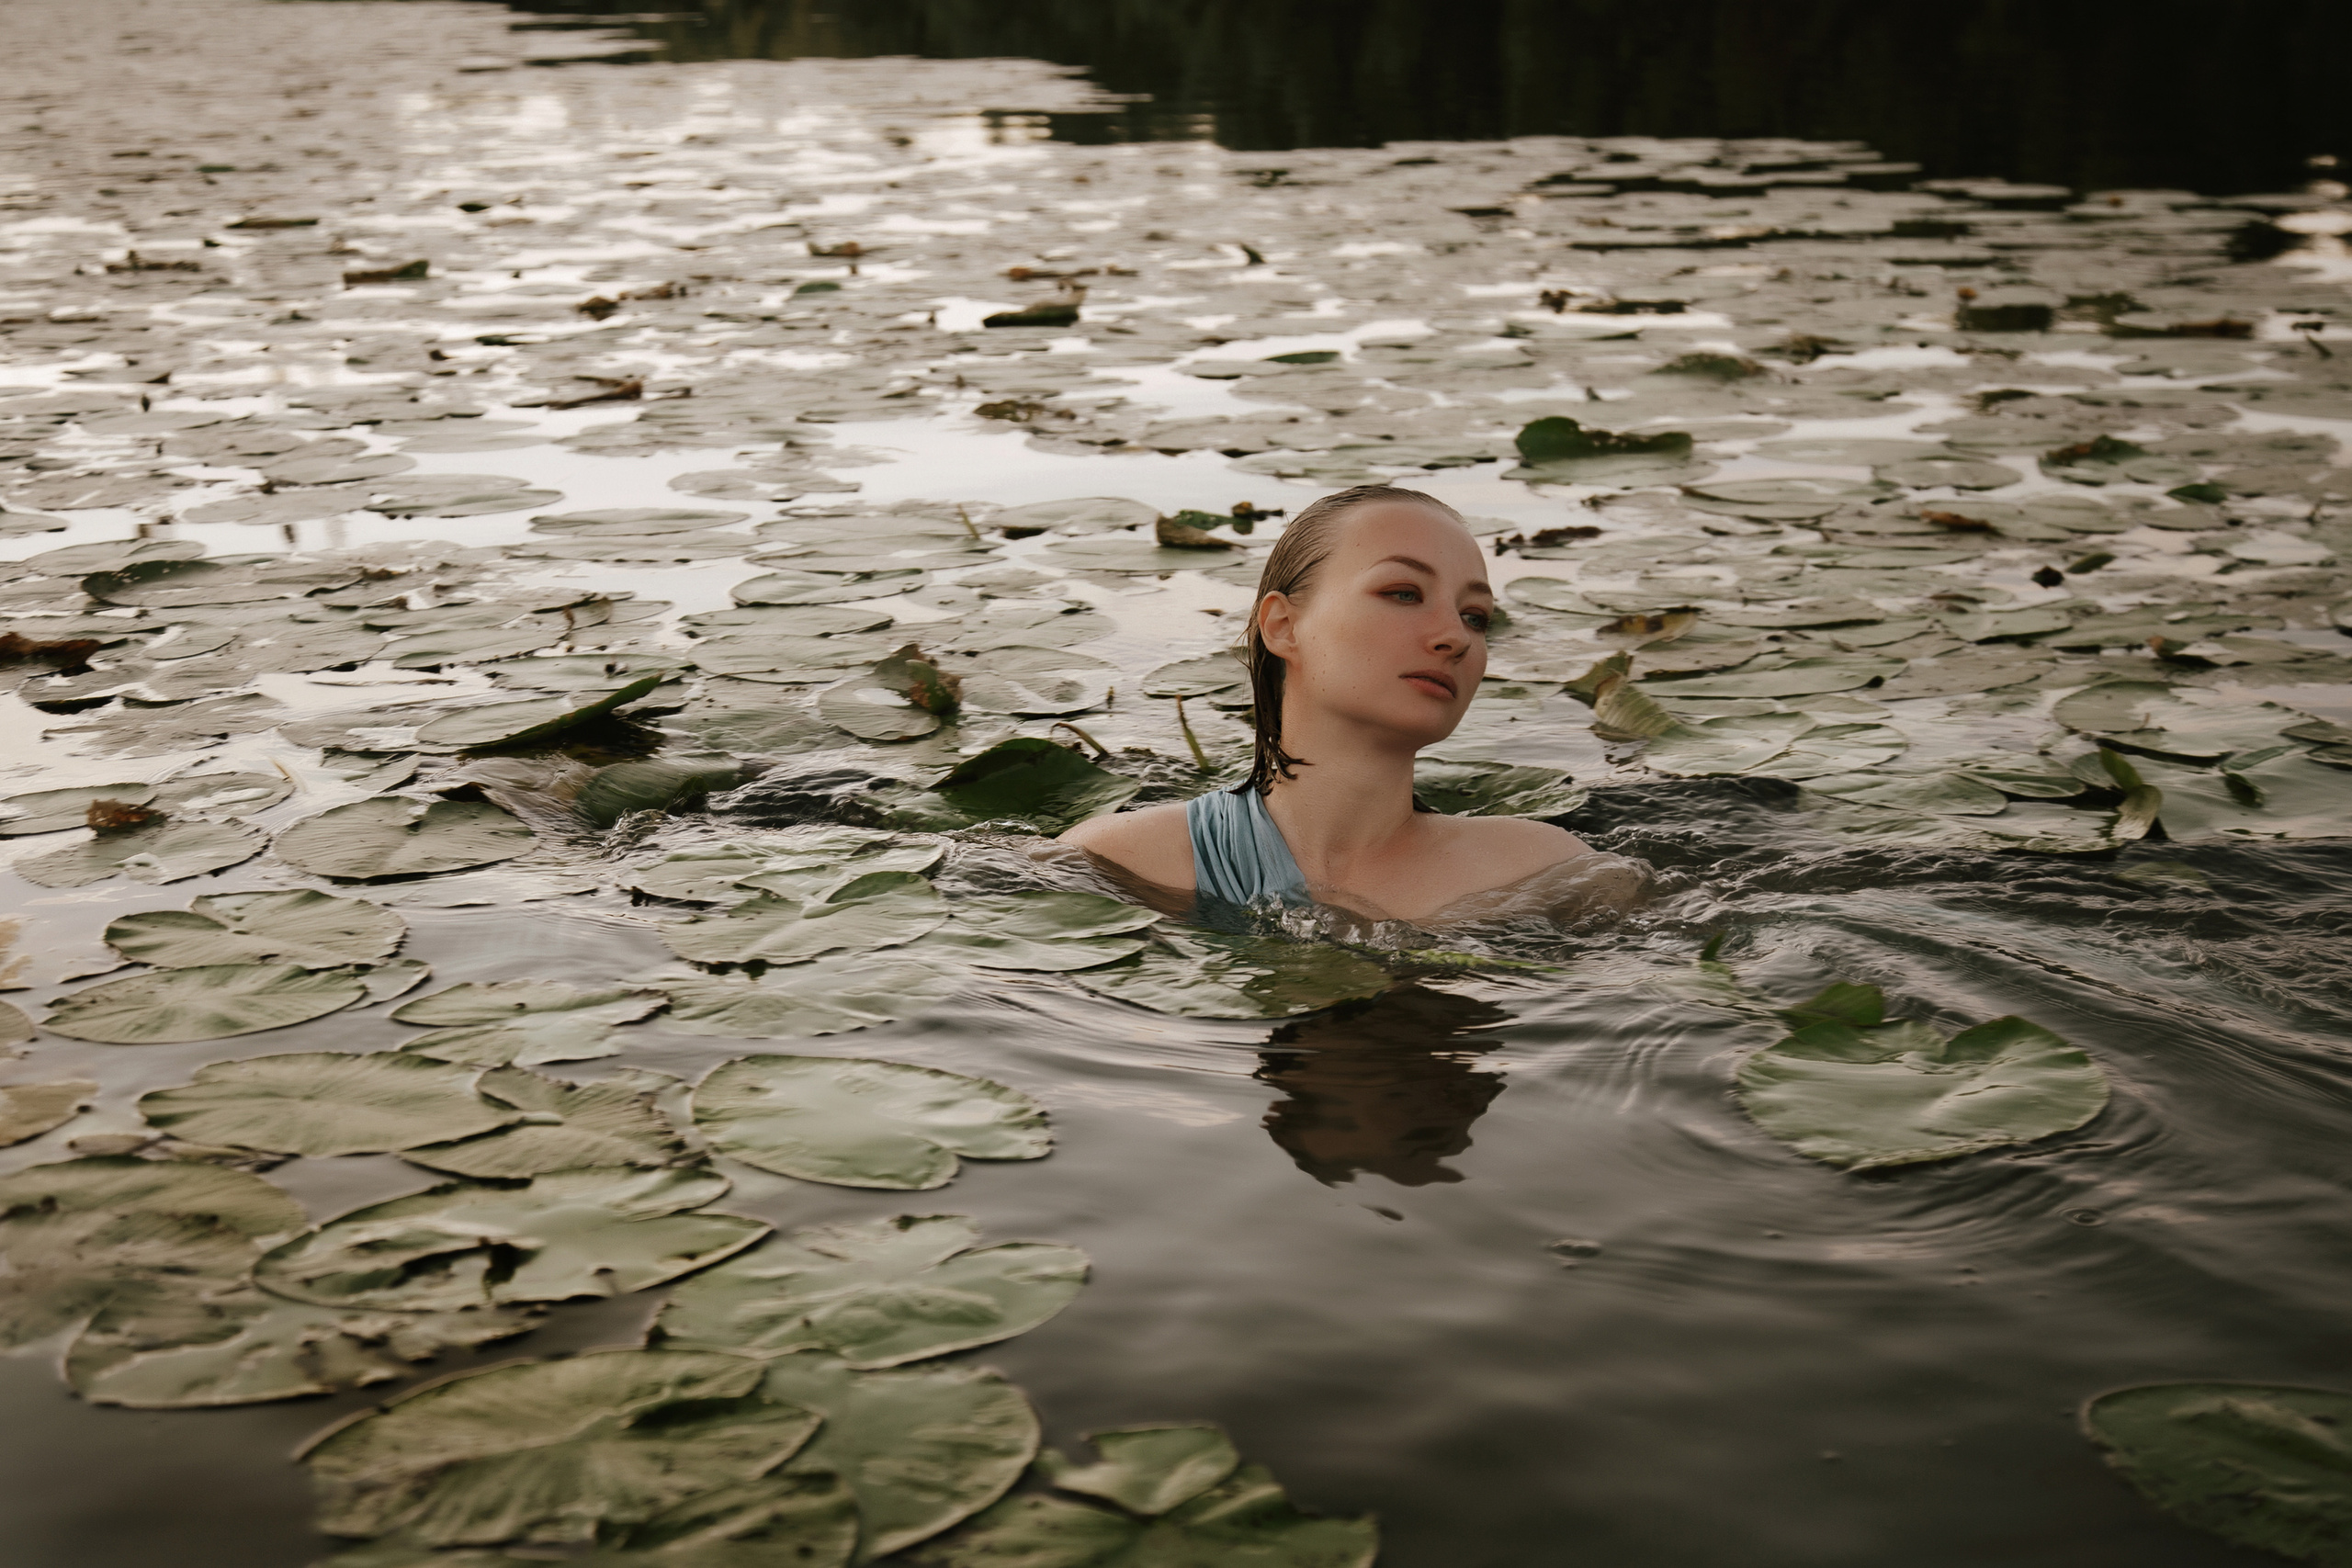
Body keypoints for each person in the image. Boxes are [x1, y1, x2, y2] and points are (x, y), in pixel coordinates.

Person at [1062, 483, 1642, 925]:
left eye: (1475, 617)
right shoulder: (1115, 862)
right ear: (1284, 626)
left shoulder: (1555, 873)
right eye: (1402, 593)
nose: (1456, 637)